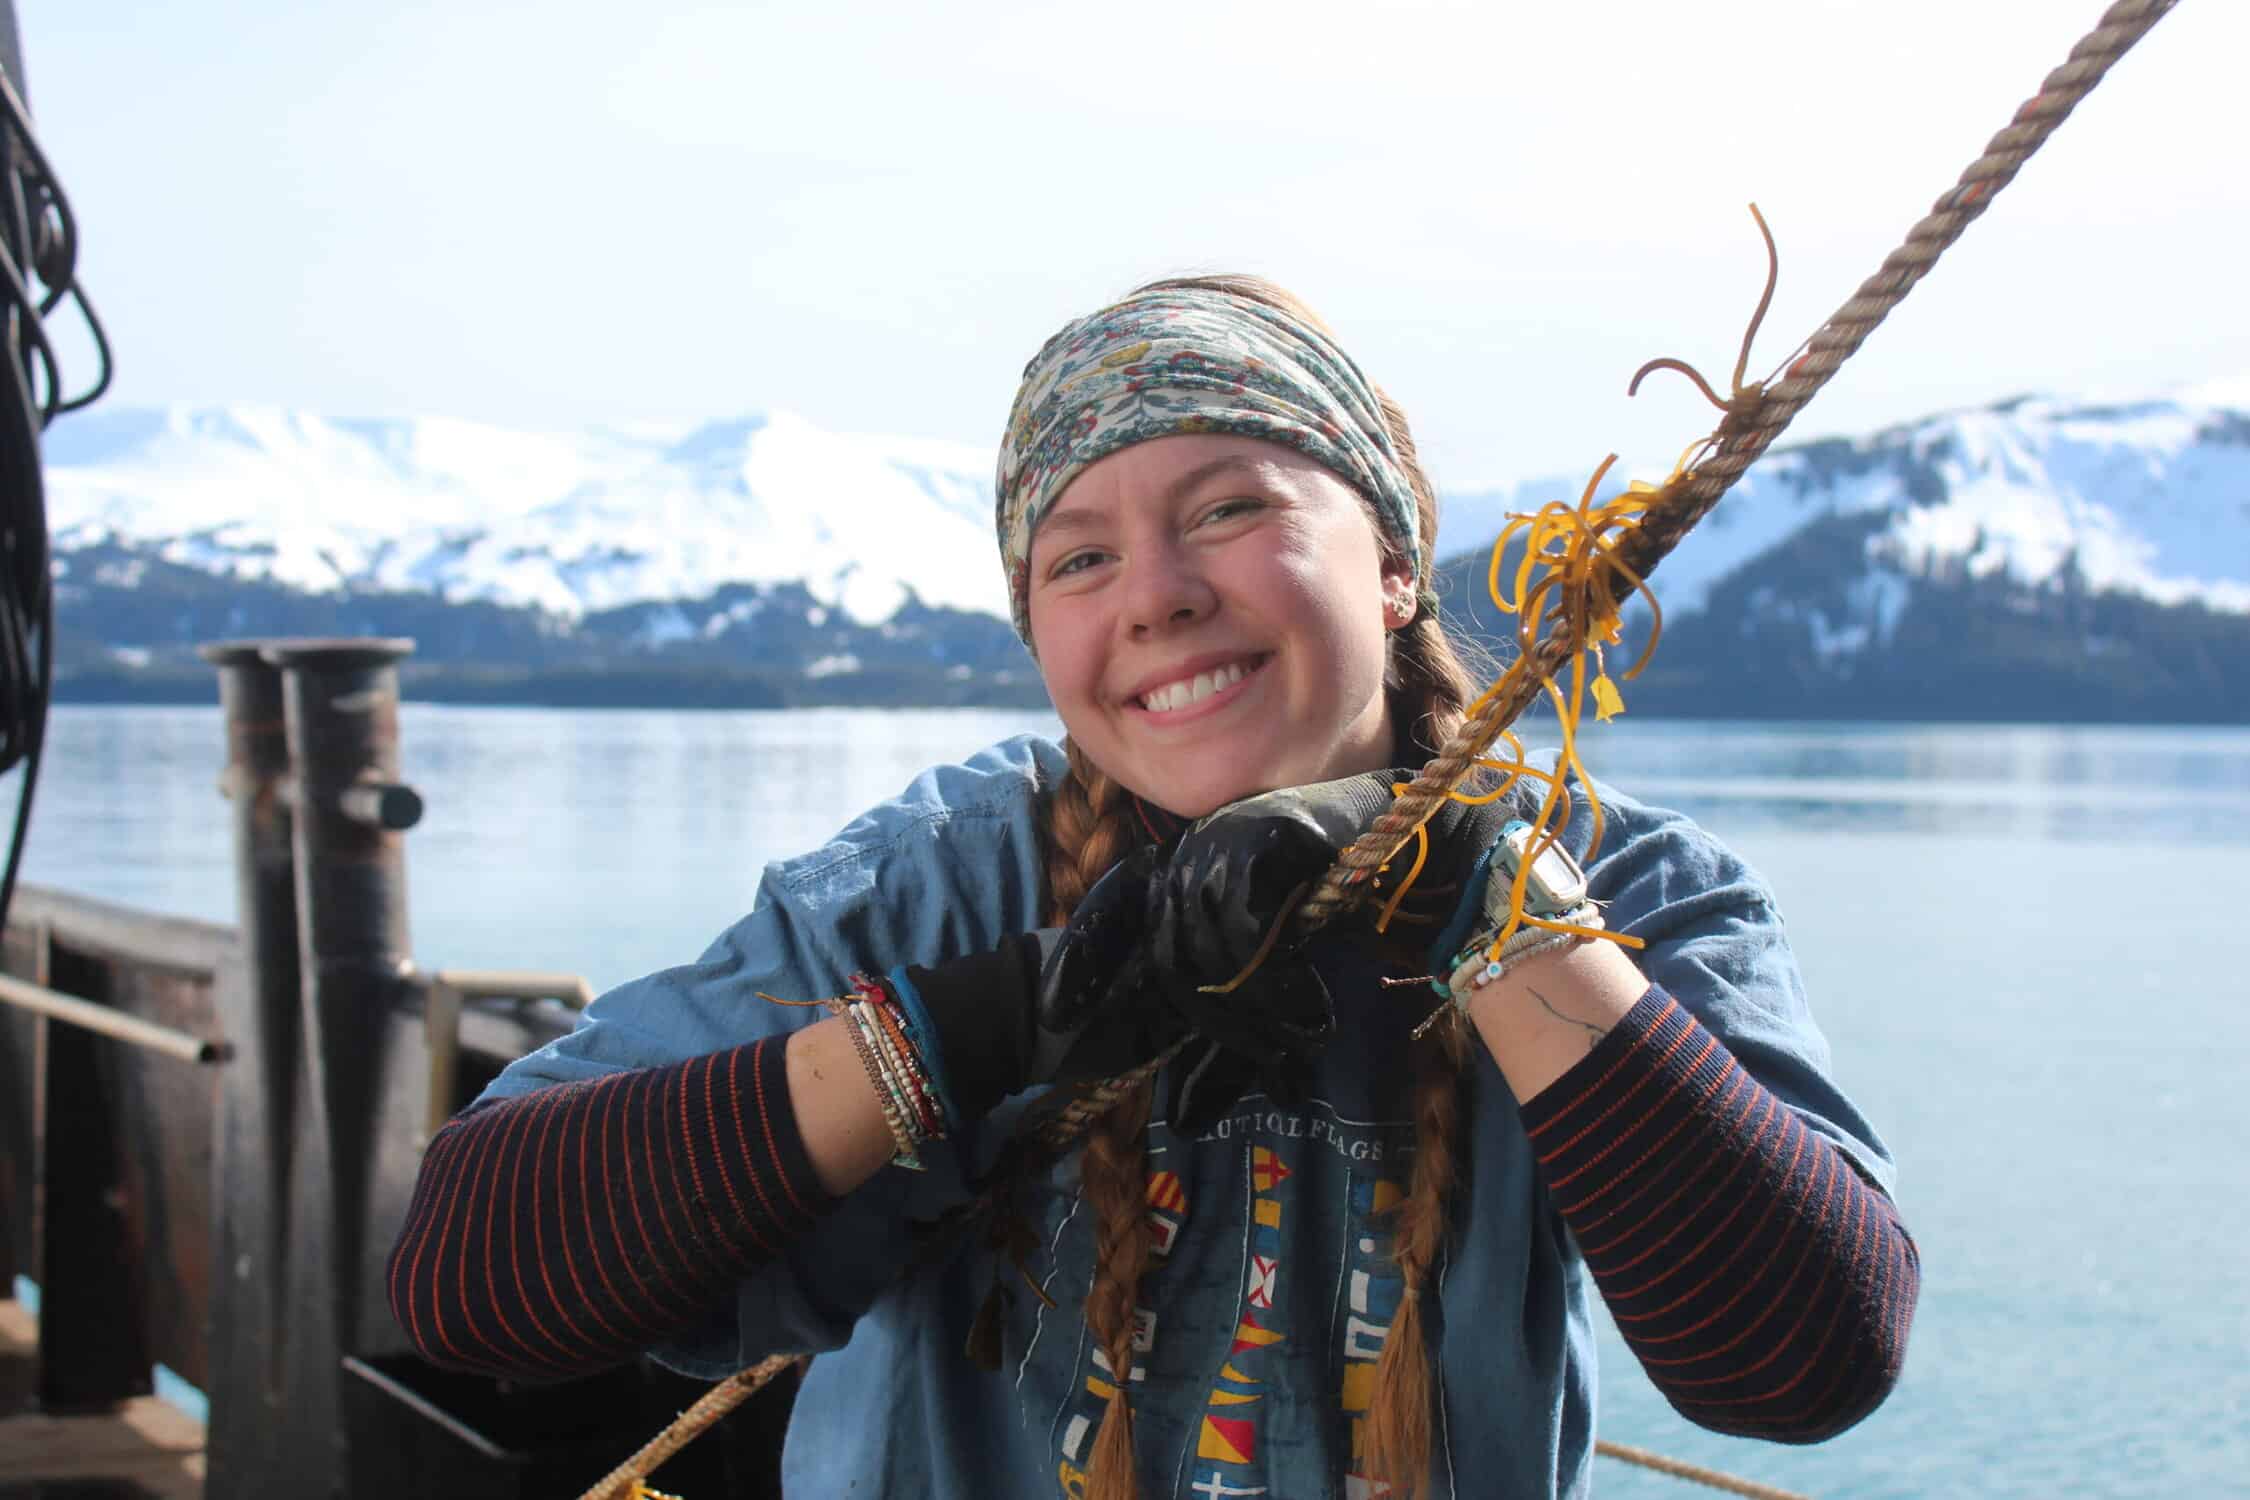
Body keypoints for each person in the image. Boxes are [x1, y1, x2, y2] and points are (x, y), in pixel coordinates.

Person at [387, 276, 1918, 1500]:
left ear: (1390, 562)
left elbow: (1796, 1364)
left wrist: (1475, 888)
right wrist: (985, 1023)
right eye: (1077, 560)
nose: (1157, 596)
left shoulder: (1624, 886)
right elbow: (469, 1280)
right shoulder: (936, 889)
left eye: (1230, 511)